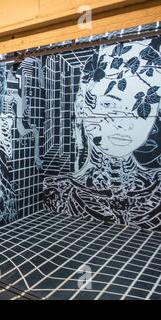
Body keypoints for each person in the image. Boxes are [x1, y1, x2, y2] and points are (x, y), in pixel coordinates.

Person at [44, 38, 161, 231]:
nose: (124, 124)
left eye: (142, 109)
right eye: (109, 105)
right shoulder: (58, 192)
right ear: (81, 106)